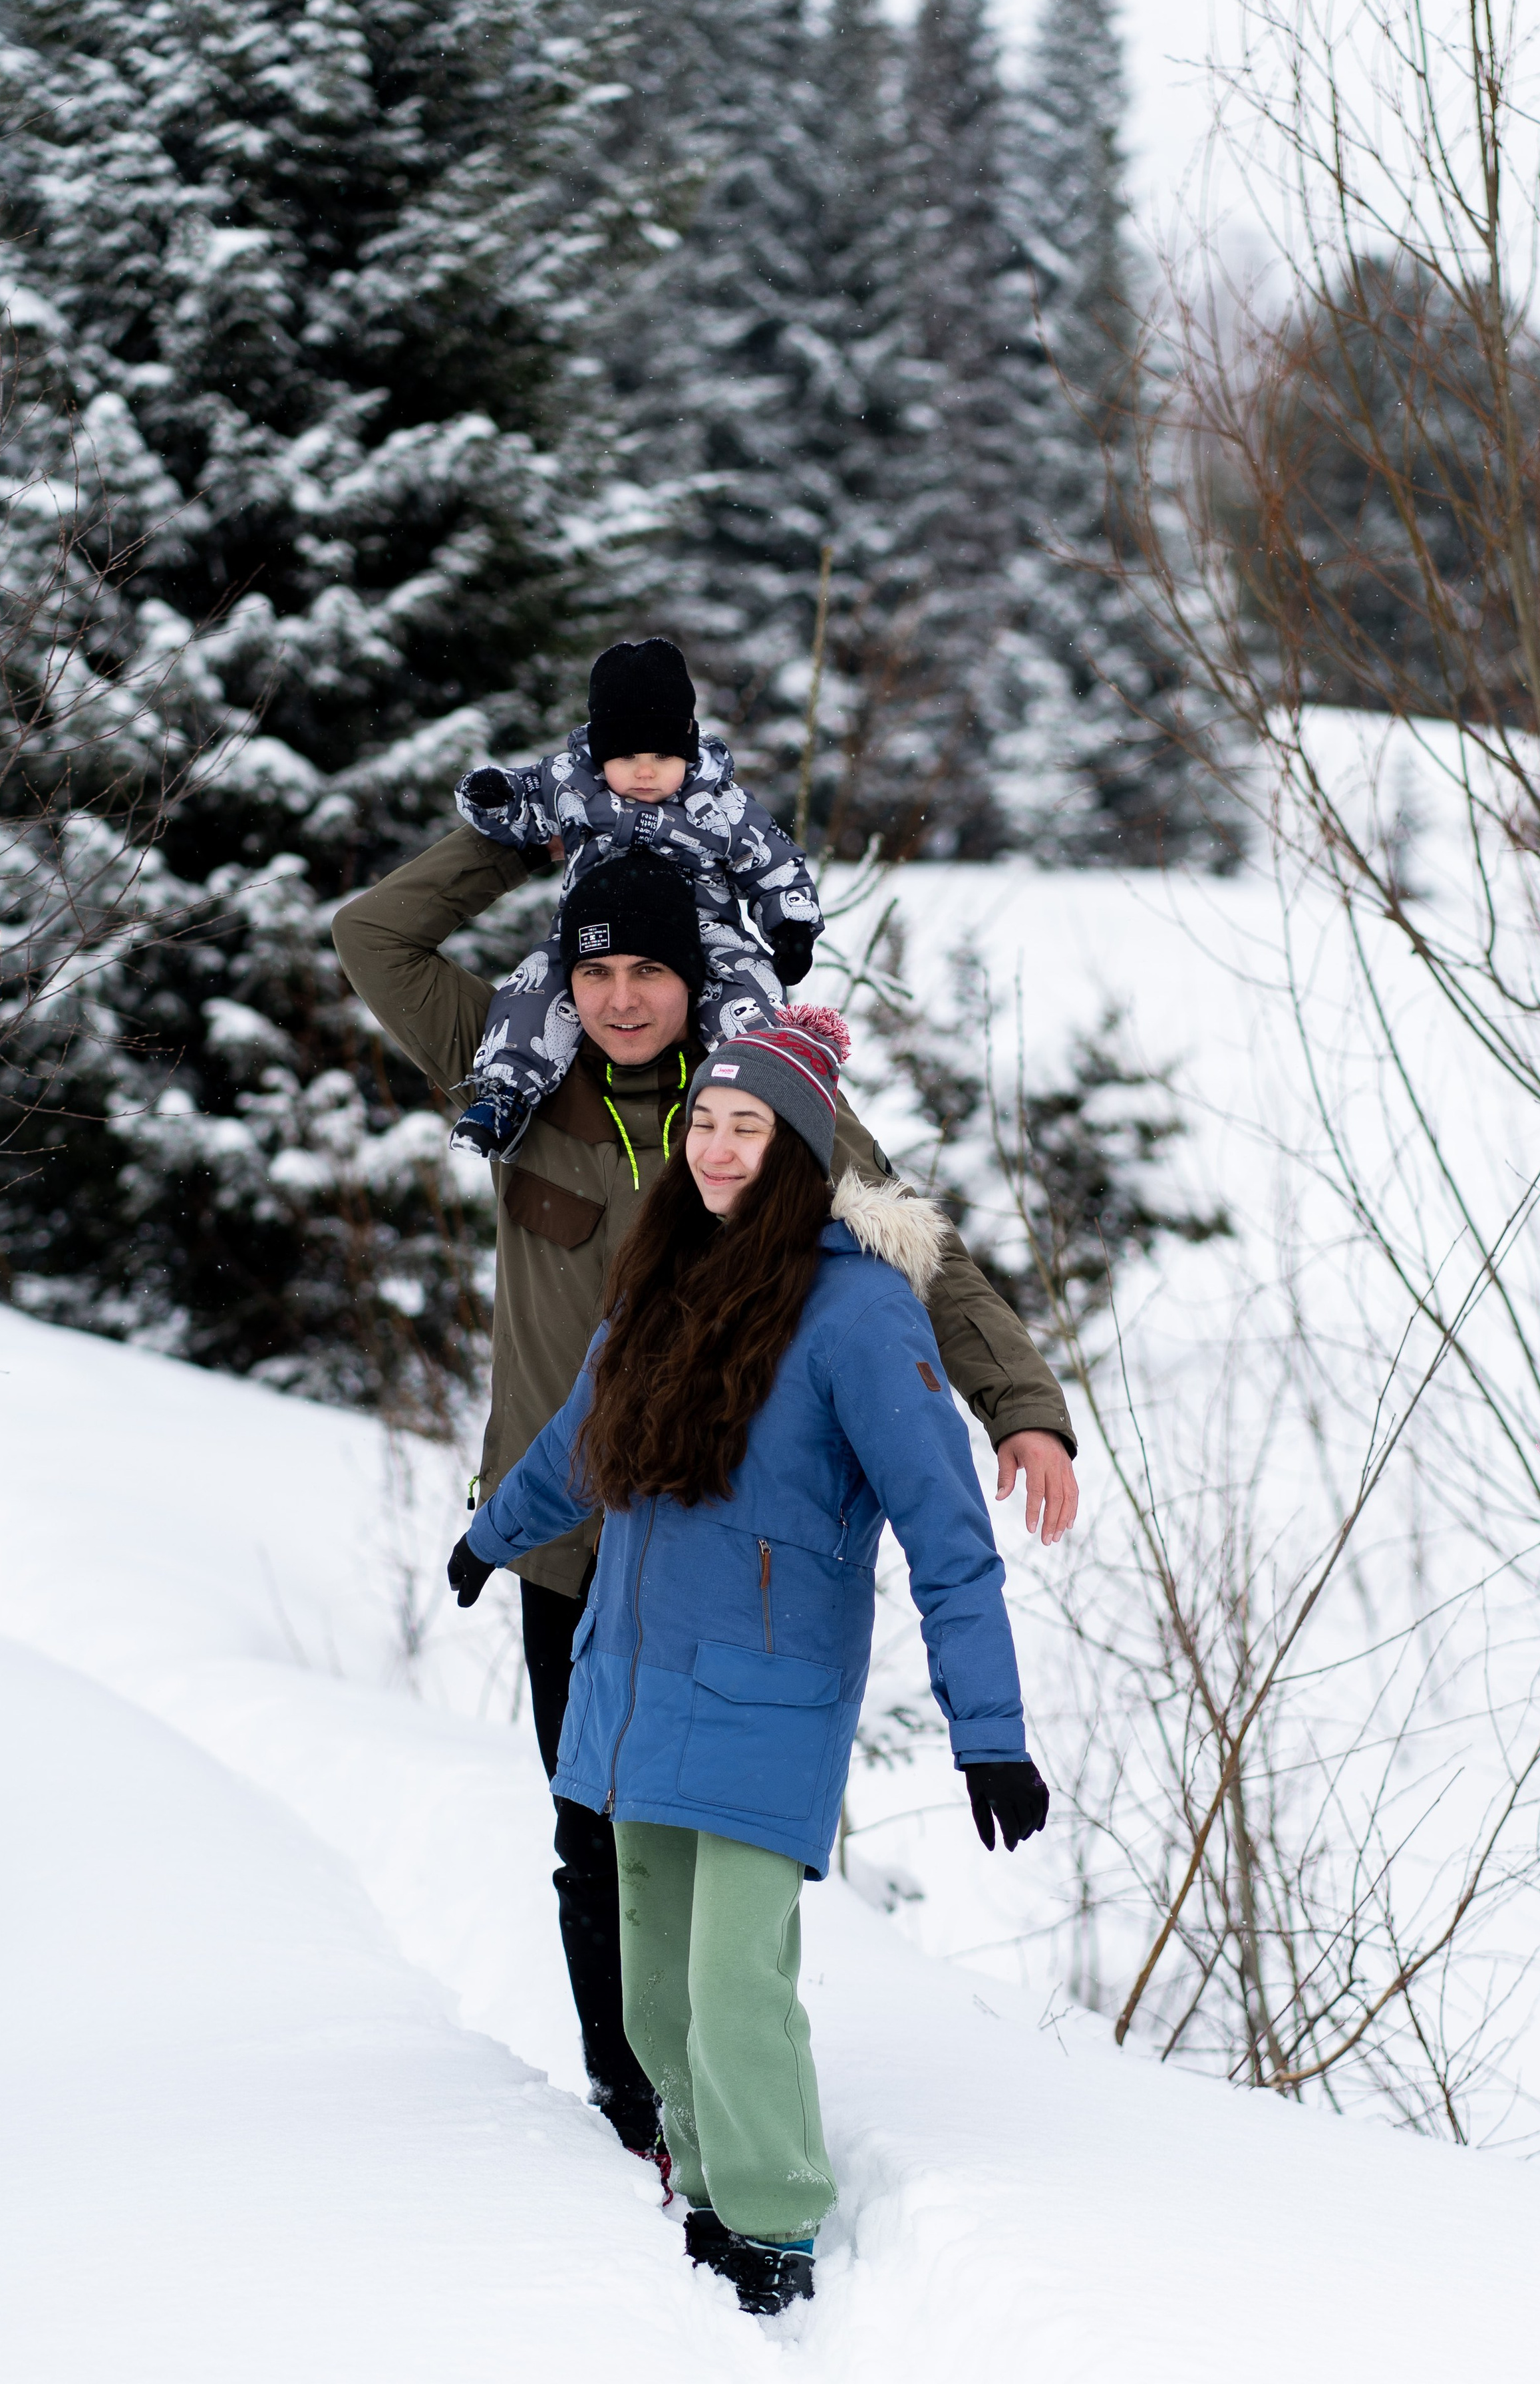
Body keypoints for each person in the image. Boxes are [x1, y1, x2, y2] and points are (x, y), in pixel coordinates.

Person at [331, 829, 1077, 2176]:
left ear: (696, 977)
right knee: (591, 1837)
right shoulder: (513, 1069)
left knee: (710, 1848)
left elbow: (918, 1258)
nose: (621, 997)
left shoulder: (768, 1107)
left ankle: (725, 2122)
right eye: (596, 969)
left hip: (735, 1560)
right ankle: (639, 2112)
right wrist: (521, 831)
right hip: (570, 1540)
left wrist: (1016, 1406)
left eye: (650, 972)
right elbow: (372, 936)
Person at [454, 1009, 1050, 2317]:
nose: (723, 1147)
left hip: (769, 1693)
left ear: (804, 1153)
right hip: (635, 1680)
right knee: (656, 1997)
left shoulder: (855, 1314)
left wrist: (988, 1730)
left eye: (754, 1128)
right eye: (707, 1123)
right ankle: (713, 2186)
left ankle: (773, 2224)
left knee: (733, 1980)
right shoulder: (660, 1275)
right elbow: (572, 1443)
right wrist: (490, 1539)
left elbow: (948, 1536)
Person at [450, 636, 822, 1159]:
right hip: (591, 930)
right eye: (627, 755)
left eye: (662, 755)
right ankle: (505, 1093)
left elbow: (773, 862)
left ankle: (764, 1083)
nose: (645, 771)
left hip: (700, 928)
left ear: (687, 749)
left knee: (747, 982)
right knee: (536, 986)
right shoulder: (574, 786)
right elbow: (524, 802)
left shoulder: (718, 802)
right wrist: (494, 796)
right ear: (602, 754)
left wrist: (792, 928)